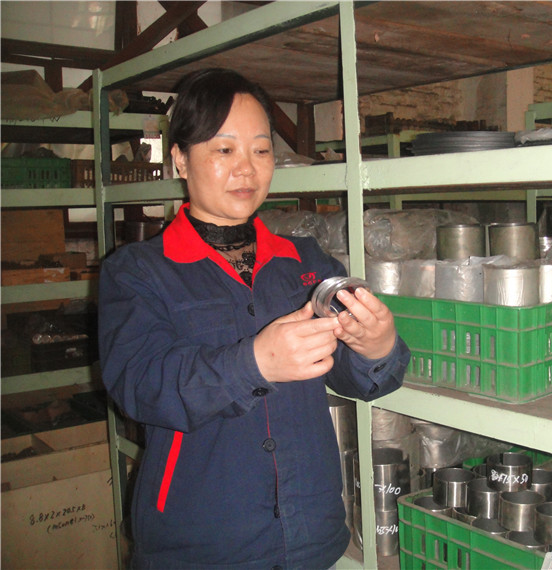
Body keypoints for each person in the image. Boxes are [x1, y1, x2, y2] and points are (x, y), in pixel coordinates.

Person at [98, 68, 410, 569]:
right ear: (180, 158)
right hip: (201, 544)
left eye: (261, 150)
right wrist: (254, 363)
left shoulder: (305, 261)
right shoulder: (137, 272)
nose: (246, 168)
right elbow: (140, 385)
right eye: (224, 149)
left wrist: (376, 347)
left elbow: (355, 377)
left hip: (309, 536)